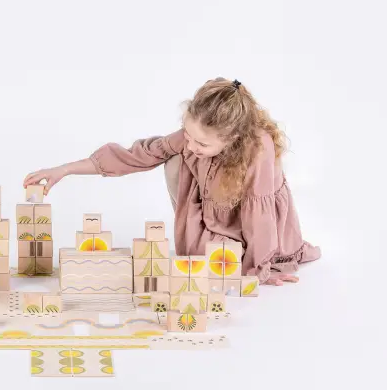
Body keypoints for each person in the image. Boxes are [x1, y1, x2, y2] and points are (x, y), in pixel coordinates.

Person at [23, 77, 321, 285]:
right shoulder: (193, 138)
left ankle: (244, 257)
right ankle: (212, 247)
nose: (192, 145)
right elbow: (137, 156)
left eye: (202, 144)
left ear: (233, 139)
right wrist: (65, 169)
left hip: (253, 231)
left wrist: (260, 270)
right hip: (214, 220)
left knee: (234, 266)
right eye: (188, 135)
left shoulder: (258, 148)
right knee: (174, 159)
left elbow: (261, 217)